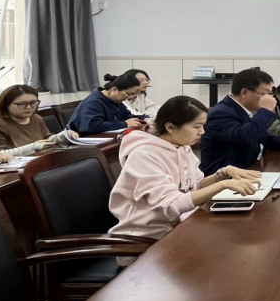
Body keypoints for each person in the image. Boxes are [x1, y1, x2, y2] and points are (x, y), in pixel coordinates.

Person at [109, 96, 263, 253]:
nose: (202, 132)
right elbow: (170, 206)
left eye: (203, 125)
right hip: (146, 242)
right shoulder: (144, 156)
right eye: (197, 126)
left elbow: (194, 188)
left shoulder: (181, 147)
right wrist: (223, 184)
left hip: (179, 228)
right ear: (170, 127)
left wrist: (222, 174)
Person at [200, 68, 280, 174]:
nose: (270, 99)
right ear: (244, 93)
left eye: (270, 94)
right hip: (225, 178)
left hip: (251, 170)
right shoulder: (220, 113)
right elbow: (244, 137)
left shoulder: (247, 110)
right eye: (265, 94)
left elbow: (265, 139)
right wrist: (265, 110)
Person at [0, 84, 74, 152]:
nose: (29, 107)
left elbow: (46, 140)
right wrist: (33, 147)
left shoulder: (36, 118)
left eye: (33, 103)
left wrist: (64, 136)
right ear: (6, 105)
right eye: (22, 104)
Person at [67, 73, 147, 136]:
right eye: (128, 94)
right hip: (82, 143)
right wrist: (125, 124)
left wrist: (146, 119)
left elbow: (127, 116)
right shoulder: (93, 102)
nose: (129, 98)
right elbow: (93, 126)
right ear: (114, 89)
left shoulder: (115, 101)